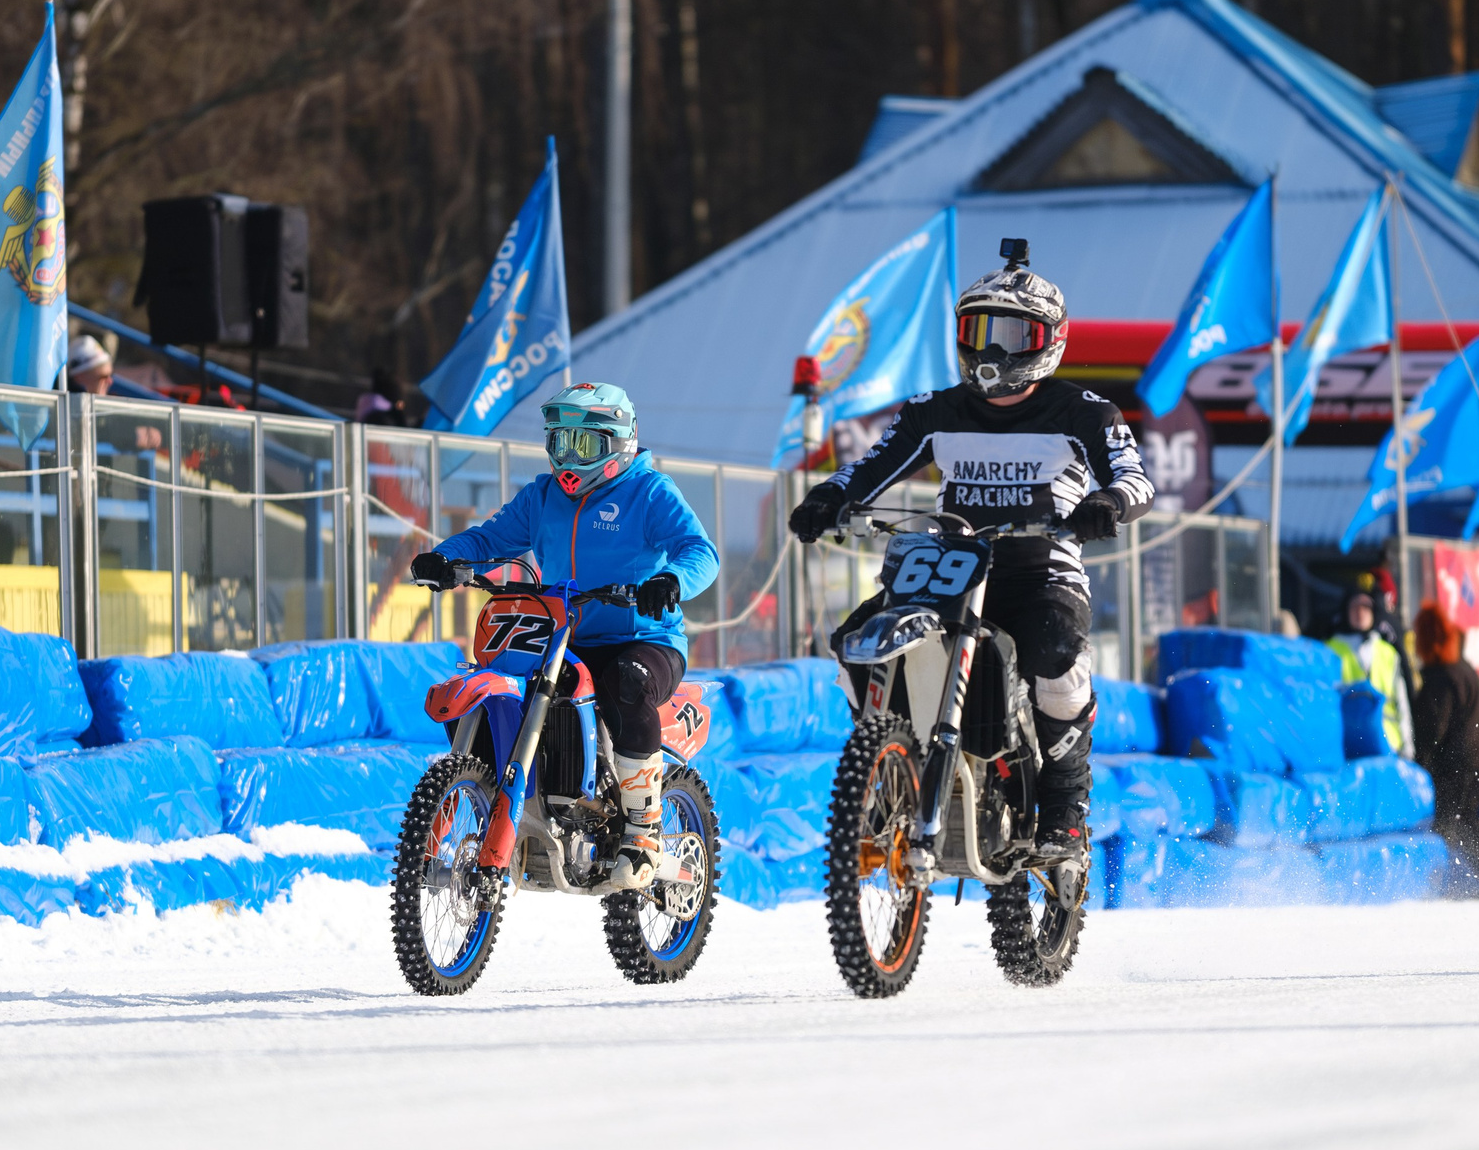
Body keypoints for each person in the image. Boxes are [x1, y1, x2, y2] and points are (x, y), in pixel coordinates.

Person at [786, 239, 1152, 859]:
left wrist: (1107, 505)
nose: (991, 352)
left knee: (1056, 656)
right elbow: (869, 469)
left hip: (1040, 571)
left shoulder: (1085, 411)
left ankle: (1065, 806)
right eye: (979, 332)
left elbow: (1135, 478)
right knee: (855, 640)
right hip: (948, 567)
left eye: (1013, 336)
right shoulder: (935, 411)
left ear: (1049, 342)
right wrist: (826, 497)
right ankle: (890, 763)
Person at [409, 382, 720, 890]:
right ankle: (496, 802)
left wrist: (671, 582)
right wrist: (446, 558)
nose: (568, 458)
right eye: (559, 442)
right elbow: (489, 538)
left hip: (642, 637)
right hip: (561, 638)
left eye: (584, 444)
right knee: (500, 685)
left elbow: (699, 550)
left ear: (619, 442)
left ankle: (643, 830)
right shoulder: (542, 497)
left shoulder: (650, 492)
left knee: (626, 681)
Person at [1407, 604, 1479, 888]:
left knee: (1455, 823)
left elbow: (1432, 729)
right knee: (1461, 822)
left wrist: (1418, 763)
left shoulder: (1442, 675)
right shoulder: (1461, 667)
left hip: (1459, 763)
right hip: (1476, 758)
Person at [1329, 591, 1412, 757]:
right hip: (1348, 745)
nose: (1360, 612)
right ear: (1346, 612)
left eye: (1366, 607)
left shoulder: (1388, 653)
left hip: (1388, 745)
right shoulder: (1331, 650)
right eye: (1355, 607)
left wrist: (1407, 748)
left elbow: (1401, 703)